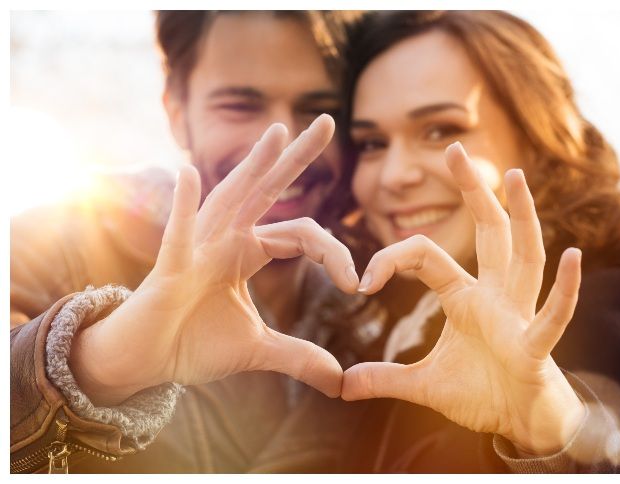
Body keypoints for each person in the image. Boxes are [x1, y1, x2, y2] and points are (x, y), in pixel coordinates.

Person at [325, 10, 620, 473]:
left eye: (441, 130)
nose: (394, 176)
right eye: (371, 143)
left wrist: (553, 440)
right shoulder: (391, 322)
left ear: (535, 136)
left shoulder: (609, 305)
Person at [10, 11, 366, 473]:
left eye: (319, 111)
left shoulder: (382, 292)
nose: (281, 140)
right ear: (177, 113)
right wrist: (94, 366)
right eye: (240, 105)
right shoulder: (54, 238)